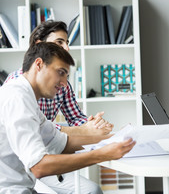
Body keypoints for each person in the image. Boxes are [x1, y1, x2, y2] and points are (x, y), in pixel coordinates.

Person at [0, 42, 136, 193]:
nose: (65, 83)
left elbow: (63, 142)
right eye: (61, 72)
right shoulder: (17, 98)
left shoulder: (27, 98)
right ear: (38, 64)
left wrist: (118, 138)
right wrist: (100, 155)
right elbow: (39, 166)